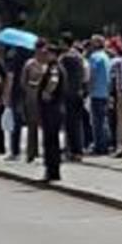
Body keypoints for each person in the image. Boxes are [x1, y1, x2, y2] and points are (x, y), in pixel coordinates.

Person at [39, 44, 66, 182]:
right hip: (55, 108)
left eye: (47, 53)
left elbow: (54, 81)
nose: (45, 56)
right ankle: (52, 170)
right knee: (51, 140)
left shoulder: (54, 67)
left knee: (50, 140)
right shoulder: (54, 66)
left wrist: (46, 92)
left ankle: (52, 170)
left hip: (52, 108)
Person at [58, 34, 86, 161]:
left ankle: (71, 150)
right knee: (77, 123)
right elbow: (85, 75)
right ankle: (78, 150)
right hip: (78, 92)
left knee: (69, 123)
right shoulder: (80, 57)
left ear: (64, 44)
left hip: (67, 93)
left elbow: (60, 76)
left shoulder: (64, 58)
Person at [20, 42, 47, 163]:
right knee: (32, 125)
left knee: (47, 125)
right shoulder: (30, 64)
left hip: (46, 98)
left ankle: (46, 152)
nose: (42, 54)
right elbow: (23, 81)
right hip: (32, 97)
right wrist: (30, 88)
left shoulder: (48, 65)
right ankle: (31, 152)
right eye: (39, 51)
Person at [87, 35, 112, 156]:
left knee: (97, 121)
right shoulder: (106, 57)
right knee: (104, 119)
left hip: (96, 92)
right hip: (105, 92)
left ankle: (99, 146)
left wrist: (88, 88)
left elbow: (92, 74)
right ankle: (106, 144)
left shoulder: (94, 57)